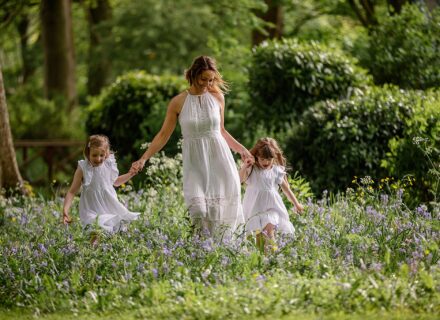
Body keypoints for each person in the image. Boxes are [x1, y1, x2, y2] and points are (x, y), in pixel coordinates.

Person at [131, 55, 253, 237]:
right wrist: (143, 158)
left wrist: (242, 149)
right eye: (204, 79)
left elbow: (221, 131)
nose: (207, 83)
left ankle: (215, 255)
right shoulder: (178, 102)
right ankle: (198, 248)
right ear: (193, 75)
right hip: (195, 163)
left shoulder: (217, 97)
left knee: (218, 214)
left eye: (211, 79)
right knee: (198, 211)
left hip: (220, 161)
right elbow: (163, 135)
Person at [63, 134, 140, 233]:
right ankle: (93, 247)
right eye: (94, 155)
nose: (98, 159)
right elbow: (72, 192)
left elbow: (115, 182)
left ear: (106, 154)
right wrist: (65, 210)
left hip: (108, 206)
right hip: (91, 209)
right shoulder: (83, 168)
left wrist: (130, 174)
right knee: (95, 231)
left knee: (113, 232)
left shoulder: (108, 164)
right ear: (87, 153)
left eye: (102, 155)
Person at [239, 137, 304, 252]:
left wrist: (296, 203)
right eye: (263, 159)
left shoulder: (276, 170)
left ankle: (273, 258)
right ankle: (263, 261)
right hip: (255, 209)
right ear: (257, 156)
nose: (266, 162)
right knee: (259, 239)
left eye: (269, 159)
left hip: (272, 208)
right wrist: (245, 166)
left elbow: (286, 189)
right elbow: (240, 180)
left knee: (270, 231)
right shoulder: (252, 169)